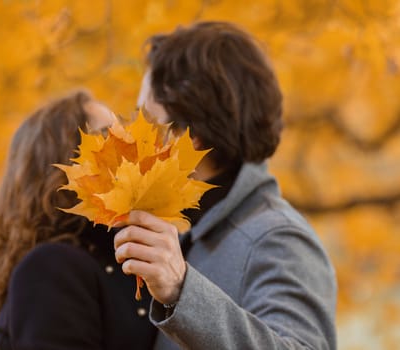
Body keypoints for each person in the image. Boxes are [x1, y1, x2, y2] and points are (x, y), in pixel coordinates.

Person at [113, 21, 337, 349]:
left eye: (146, 120)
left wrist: (181, 290)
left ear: (192, 133)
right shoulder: (190, 230)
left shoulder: (277, 238)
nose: (133, 137)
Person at [0, 90, 158, 350]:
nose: (127, 143)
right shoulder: (50, 268)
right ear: (64, 163)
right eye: (106, 135)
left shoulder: (123, 251)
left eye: (122, 131)